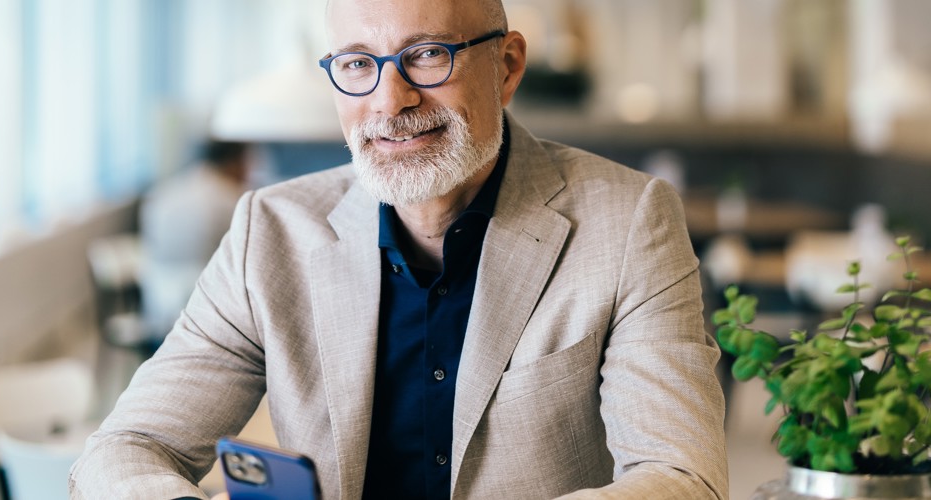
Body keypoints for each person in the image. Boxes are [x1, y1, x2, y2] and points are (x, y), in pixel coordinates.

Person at [70, 0, 729, 498]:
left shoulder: (629, 220)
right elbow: (124, 450)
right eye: (358, 62)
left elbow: (680, 476)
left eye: (427, 55)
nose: (391, 99)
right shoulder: (269, 232)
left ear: (506, 67)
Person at [137, 140, 251, 349]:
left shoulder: (165, 191)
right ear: (234, 162)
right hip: (198, 312)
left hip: (155, 305)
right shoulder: (229, 200)